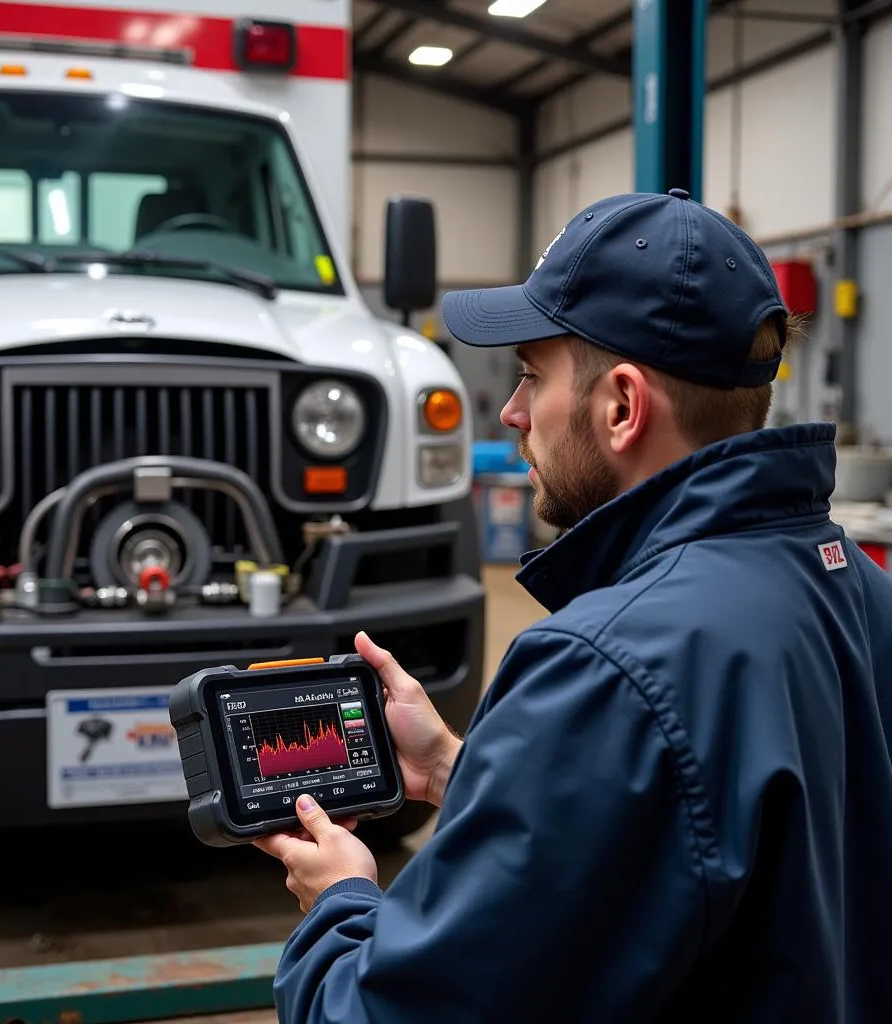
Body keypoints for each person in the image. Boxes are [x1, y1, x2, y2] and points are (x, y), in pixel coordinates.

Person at [253, 189, 892, 1023]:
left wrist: (341, 902)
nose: (513, 413)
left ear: (622, 406)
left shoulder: (606, 664)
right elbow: (714, 838)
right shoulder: (859, 590)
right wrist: (459, 769)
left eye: (531, 375)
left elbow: (392, 1012)